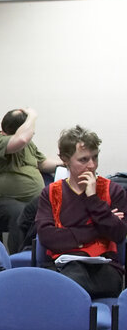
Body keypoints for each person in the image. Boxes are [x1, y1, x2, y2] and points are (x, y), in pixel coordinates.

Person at [35, 126, 127, 298]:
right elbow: (48, 237)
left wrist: (92, 198)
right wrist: (98, 228)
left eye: (95, 157)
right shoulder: (51, 193)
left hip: (104, 267)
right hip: (63, 265)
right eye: (83, 160)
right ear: (65, 159)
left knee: (103, 283)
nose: (91, 165)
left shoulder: (113, 190)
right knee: (71, 281)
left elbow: (119, 233)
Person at [0, 108, 61, 253]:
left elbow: (41, 163)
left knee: (55, 209)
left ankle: (45, 260)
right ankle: (19, 260)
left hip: (29, 202)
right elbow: (21, 139)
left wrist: (66, 163)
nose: (32, 132)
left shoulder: (28, 145)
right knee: (20, 212)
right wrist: (32, 116)